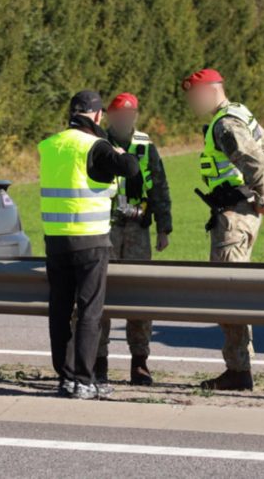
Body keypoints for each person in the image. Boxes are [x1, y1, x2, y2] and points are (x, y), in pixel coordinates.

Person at [38, 90, 140, 400]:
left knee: (59, 309)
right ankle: (85, 380)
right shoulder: (95, 146)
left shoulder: (50, 145)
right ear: (97, 116)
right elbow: (132, 169)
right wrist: (121, 155)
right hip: (90, 241)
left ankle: (66, 378)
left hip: (55, 239)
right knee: (88, 312)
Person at [181, 68, 264, 391]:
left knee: (227, 291)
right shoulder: (239, 113)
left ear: (211, 91)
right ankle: (240, 367)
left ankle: (238, 371)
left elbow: (258, 163)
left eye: (195, 95)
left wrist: (260, 197)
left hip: (232, 217)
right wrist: (256, 200)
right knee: (232, 290)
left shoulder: (225, 124)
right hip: (239, 213)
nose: (192, 103)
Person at [94, 92, 172, 386]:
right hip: (106, 229)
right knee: (101, 296)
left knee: (139, 298)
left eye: (130, 114)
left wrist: (164, 227)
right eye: (119, 115)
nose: (125, 119)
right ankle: (98, 361)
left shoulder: (145, 145)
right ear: (110, 116)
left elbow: (160, 187)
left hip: (138, 229)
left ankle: (140, 362)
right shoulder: (98, 143)